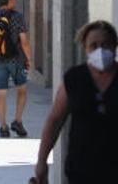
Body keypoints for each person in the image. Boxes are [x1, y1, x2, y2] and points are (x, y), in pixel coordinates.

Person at [34, 21, 118, 184]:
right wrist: (41, 160)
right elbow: (55, 120)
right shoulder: (74, 79)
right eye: (93, 45)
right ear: (85, 49)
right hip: (81, 169)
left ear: (114, 46)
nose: (100, 50)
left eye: (105, 45)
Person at [0, 0, 33, 138]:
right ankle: (17, 120)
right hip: (16, 59)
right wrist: (29, 59)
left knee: (1, 92)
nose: (16, 0)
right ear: (9, 1)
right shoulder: (17, 17)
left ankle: (3, 126)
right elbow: (24, 41)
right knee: (22, 90)